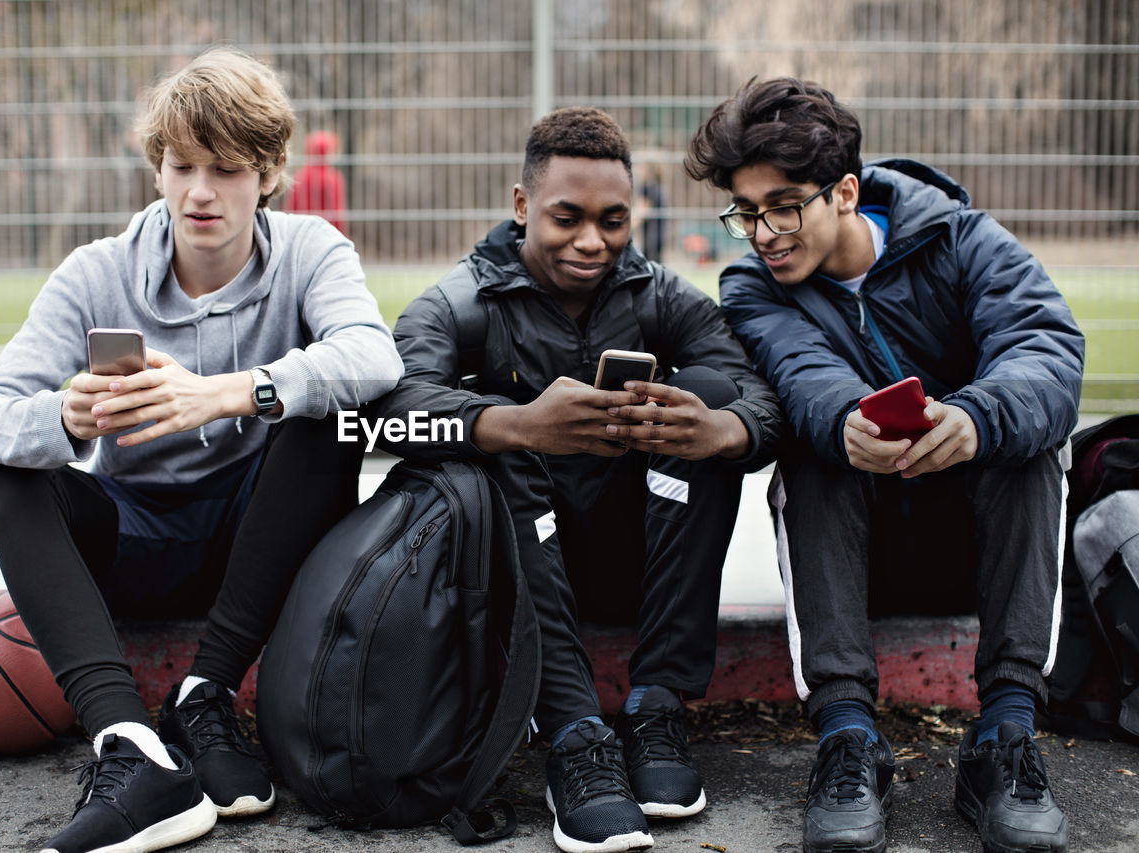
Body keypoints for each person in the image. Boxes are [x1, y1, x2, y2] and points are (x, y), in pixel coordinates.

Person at [0, 48, 402, 853]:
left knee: (323, 414)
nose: (200, 191)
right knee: (10, 470)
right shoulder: (96, 271)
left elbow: (374, 357)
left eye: (226, 168)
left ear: (267, 173)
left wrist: (232, 390)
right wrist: (67, 416)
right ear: (156, 168)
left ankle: (206, 692)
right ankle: (134, 748)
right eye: (182, 164)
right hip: (136, 536)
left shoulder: (309, 250)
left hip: (263, 539)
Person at [686, 77, 1084, 853]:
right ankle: (846, 740)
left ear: (844, 191)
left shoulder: (961, 240)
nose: (763, 232)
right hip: (859, 556)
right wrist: (845, 421)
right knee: (816, 450)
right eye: (746, 212)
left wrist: (972, 418)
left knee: (1027, 443)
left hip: (980, 547)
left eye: (784, 205)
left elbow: (1047, 349)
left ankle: (1006, 739)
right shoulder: (751, 287)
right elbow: (799, 372)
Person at [369, 106, 782, 853]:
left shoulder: (660, 295)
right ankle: (572, 730)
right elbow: (385, 416)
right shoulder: (457, 303)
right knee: (497, 436)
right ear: (522, 205)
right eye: (567, 218)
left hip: (639, 561)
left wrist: (723, 428)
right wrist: (518, 423)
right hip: (514, 578)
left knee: (706, 406)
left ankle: (656, 708)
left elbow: (762, 401)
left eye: (613, 220)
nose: (592, 241)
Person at [285, 129, 349, 236]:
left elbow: (291, 206)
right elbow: (337, 211)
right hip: (328, 232)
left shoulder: (300, 175)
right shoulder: (334, 177)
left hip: (301, 231)